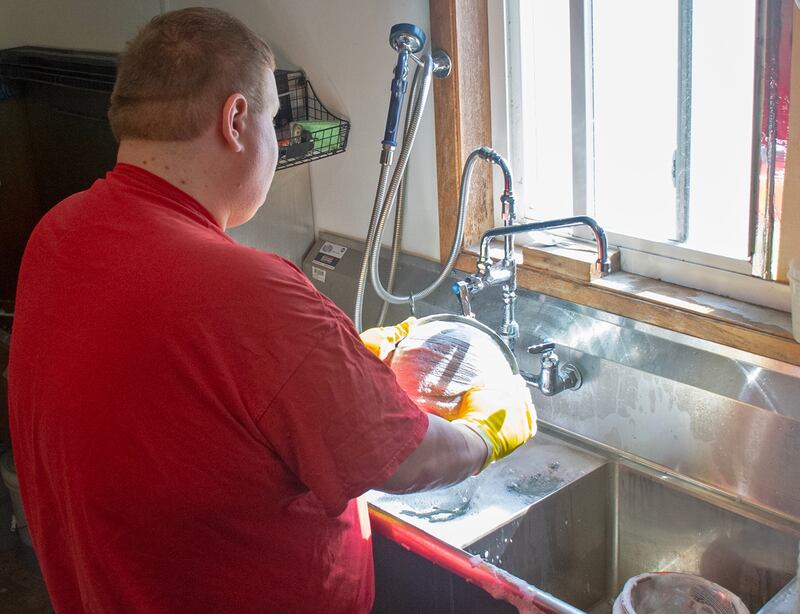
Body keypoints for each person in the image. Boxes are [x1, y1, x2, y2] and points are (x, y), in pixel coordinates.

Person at [7, 8, 535, 614]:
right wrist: (490, 432)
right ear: (235, 119)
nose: (277, 141)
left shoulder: (56, 234)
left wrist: (330, 359)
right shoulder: (246, 292)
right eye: (275, 120)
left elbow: (182, 405)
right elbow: (405, 458)